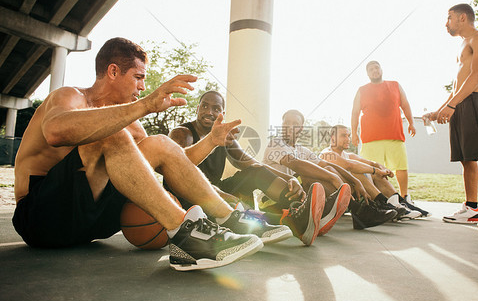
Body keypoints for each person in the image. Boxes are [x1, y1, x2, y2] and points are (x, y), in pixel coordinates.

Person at [11, 37, 285, 272]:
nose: (143, 87)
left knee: (159, 144)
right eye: (138, 77)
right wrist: (145, 106)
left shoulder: (130, 121)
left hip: (92, 225)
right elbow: (55, 131)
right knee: (113, 133)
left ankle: (230, 218)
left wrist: (212, 141)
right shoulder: (71, 96)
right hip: (42, 218)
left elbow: (177, 163)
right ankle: (186, 234)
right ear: (114, 71)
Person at [168, 90, 324, 246]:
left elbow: (251, 163)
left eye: (216, 108)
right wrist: (222, 196)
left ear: (222, 113)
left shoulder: (224, 136)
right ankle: (288, 221)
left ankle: (298, 212)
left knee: (256, 172)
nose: (209, 112)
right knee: (229, 201)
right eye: (205, 106)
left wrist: (289, 179)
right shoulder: (182, 134)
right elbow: (180, 175)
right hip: (187, 198)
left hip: (215, 192)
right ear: (197, 109)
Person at [423, 3, 478, 230]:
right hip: (460, 103)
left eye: (449, 17)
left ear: (462, 17)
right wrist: (441, 109)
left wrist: (452, 105)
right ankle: (471, 209)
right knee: (466, 158)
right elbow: (456, 86)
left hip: (474, 102)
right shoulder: (463, 44)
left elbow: (477, 75)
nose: (446, 23)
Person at [263, 109, 397, 231]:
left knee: (327, 168)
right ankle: (358, 209)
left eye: (295, 123)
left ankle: (362, 209)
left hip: (295, 194)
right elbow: (296, 164)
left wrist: (354, 180)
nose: (290, 126)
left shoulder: (301, 149)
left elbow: (326, 164)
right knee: (308, 176)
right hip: (274, 200)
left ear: (301, 128)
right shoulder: (275, 143)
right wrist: (333, 178)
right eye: (286, 122)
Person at [320, 125, 430, 218]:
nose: (348, 139)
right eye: (343, 136)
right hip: (337, 202)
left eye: (348, 135)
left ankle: (399, 203)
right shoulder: (327, 154)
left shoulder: (348, 155)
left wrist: (382, 169)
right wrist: (376, 170)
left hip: (353, 196)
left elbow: (371, 163)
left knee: (375, 174)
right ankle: (384, 205)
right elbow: (350, 165)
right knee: (358, 172)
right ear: (333, 138)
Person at [351, 60, 416, 204]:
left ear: (381, 69)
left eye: (376, 68)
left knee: (401, 167)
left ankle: (405, 197)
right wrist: (354, 132)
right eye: (371, 69)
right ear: (367, 74)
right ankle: (378, 198)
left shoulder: (395, 85)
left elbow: (405, 105)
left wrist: (411, 123)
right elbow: (355, 112)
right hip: (370, 138)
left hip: (394, 135)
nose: (374, 70)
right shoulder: (362, 90)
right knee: (372, 170)